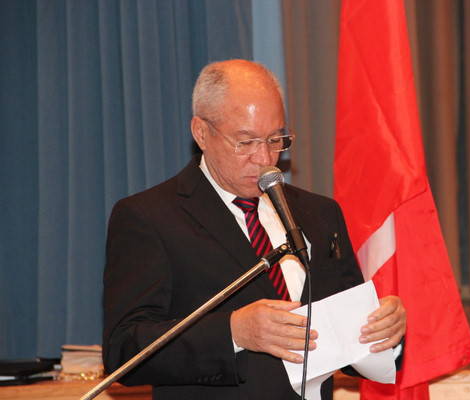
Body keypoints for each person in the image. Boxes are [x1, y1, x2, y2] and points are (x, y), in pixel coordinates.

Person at [102, 59, 406, 400]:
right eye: (245, 142)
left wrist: (384, 334)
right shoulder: (149, 217)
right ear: (201, 133)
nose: (264, 158)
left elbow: (345, 340)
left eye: (275, 139)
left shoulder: (320, 214)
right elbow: (124, 350)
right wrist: (234, 332)